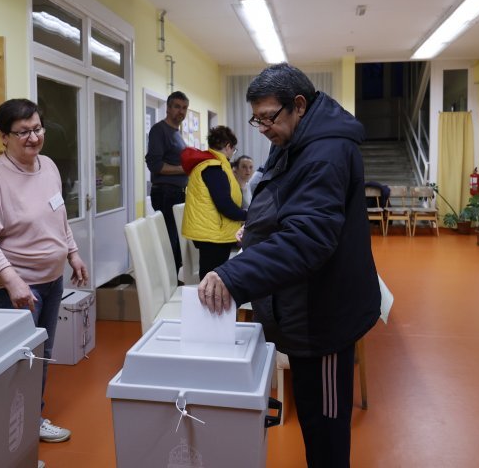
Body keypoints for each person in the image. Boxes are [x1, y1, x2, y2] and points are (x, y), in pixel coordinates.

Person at [197, 64, 381, 468]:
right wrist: (257, 232)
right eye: (256, 119)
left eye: (268, 117)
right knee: (312, 419)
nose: (262, 128)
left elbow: (308, 237)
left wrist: (232, 274)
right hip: (302, 306)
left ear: (298, 105)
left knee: (326, 431)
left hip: (326, 315)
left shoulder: (327, 151)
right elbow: (284, 200)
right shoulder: (295, 137)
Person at [0, 98, 89, 450]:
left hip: (52, 281)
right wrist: (11, 279)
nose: (33, 137)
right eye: (23, 132)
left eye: (37, 129)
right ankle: (12, 440)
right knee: (19, 363)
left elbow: (58, 216)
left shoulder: (48, 166)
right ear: (3, 137)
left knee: (41, 354)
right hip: (18, 289)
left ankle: (30, 423)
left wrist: (73, 253)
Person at [181, 126, 247, 279]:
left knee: (212, 275)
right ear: (228, 146)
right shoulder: (213, 168)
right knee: (212, 278)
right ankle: (207, 303)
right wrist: (248, 215)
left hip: (211, 231)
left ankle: (211, 302)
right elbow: (225, 205)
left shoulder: (212, 164)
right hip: (213, 234)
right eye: (233, 150)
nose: (233, 153)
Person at [145, 91, 189, 270]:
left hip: (177, 193)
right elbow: (155, 165)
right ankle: (168, 281)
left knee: (177, 237)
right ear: (168, 108)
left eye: (184, 108)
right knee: (170, 239)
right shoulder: (159, 130)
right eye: (177, 107)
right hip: (165, 193)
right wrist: (183, 169)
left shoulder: (176, 133)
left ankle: (174, 279)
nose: (181, 111)